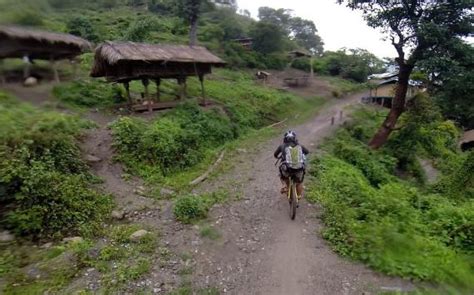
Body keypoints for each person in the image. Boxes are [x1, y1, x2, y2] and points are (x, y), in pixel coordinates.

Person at [274, 130, 309, 198]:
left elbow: (275, 154)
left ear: (285, 138)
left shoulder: (281, 146)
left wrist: (279, 156)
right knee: (299, 183)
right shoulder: (300, 146)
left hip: (287, 169)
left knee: (283, 176)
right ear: (295, 138)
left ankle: (285, 186)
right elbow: (307, 152)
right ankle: (298, 196)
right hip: (299, 168)